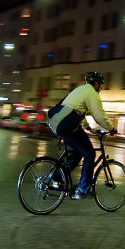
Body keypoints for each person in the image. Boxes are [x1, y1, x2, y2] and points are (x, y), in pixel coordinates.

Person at [47, 71, 117, 199]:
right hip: (66, 125)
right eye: (100, 85)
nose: (100, 88)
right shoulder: (92, 94)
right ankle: (82, 189)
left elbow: (76, 112)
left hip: (56, 121)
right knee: (89, 153)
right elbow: (99, 116)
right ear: (96, 83)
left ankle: (57, 178)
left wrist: (88, 128)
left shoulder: (79, 90)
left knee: (79, 151)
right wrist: (111, 129)